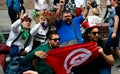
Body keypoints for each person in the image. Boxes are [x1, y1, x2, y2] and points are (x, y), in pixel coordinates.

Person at [110, 0, 120, 68]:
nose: (110, 2)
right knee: (116, 47)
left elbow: (116, 21)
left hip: (116, 31)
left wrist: (114, 32)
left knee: (116, 47)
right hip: (118, 30)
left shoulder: (116, 9)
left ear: (115, 1)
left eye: (111, 0)